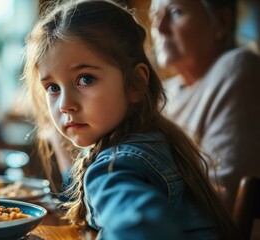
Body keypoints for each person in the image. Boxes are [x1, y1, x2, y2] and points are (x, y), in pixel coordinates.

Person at [22, 0, 236, 239]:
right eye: (52, 87)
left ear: (134, 84)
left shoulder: (119, 164)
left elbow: (139, 229)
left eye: (85, 79)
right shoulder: (153, 142)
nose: (64, 105)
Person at [149, 0, 260, 212]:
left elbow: (222, 195)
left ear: (221, 22)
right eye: (155, 15)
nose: (159, 27)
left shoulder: (237, 69)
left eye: (175, 12)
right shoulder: (164, 93)